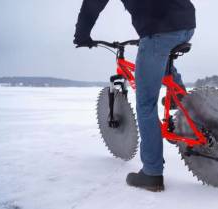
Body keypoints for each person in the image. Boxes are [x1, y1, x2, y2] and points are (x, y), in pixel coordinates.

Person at [73, 0, 196, 192]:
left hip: (159, 30)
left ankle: (152, 173)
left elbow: (92, 4)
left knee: (146, 104)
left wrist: (81, 34)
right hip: (186, 23)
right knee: (161, 59)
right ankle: (181, 103)